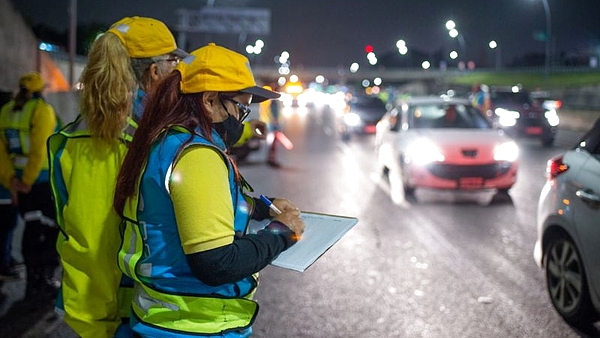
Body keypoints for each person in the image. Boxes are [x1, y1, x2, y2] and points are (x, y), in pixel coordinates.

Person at [113, 43, 305, 337]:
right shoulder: (198, 156)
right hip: (195, 326)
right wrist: (282, 232)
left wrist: (260, 208)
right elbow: (216, 264)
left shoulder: (169, 140)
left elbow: (184, 208)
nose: (241, 120)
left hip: (165, 322)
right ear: (210, 101)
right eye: (240, 108)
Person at [47, 16, 188, 338]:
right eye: (174, 62)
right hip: (110, 319)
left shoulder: (139, 132)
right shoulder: (104, 143)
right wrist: (95, 328)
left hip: (134, 313)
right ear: (154, 72)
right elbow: (92, 247)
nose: (179, 73)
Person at [0, 72, 59, 292]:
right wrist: (27, 180)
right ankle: (45, 277)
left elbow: (1, 152)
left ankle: (33, 278)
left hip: (18, 181)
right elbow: (39, 149)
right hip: (40, 181)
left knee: (31, 228)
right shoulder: (41, 110)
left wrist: (12, 181)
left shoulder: (5, 112)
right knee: (50, 228)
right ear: (40, 90)